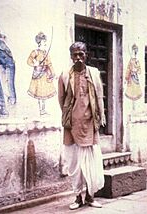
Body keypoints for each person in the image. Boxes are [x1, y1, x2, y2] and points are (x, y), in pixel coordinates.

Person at [58, 41, 106, 210]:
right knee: (74, 163)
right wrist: (67, 118)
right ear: (71, 56)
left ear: (87, 55)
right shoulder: (65, 75)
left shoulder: (93, 73)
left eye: (81, 54)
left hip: (90, 123)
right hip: (71, 126)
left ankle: (91, 197)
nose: (78, 58)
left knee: (91, 162)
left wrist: (102, 115)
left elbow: (100, 96)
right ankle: (78, 197)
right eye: (75, 54)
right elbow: (62, 100)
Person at [27, 32, 56, 116]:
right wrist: (34, 64)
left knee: (44, 94)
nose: (45, 42)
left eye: (45, 41)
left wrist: (53, 73)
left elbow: (49, 64)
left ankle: (43, 110)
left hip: (45, 75)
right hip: (38, 75)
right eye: (44, 41)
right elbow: (29, 61)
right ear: (40, 42)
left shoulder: (45, 52)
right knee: (40, 94)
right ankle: (41, 110)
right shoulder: (35, 52)